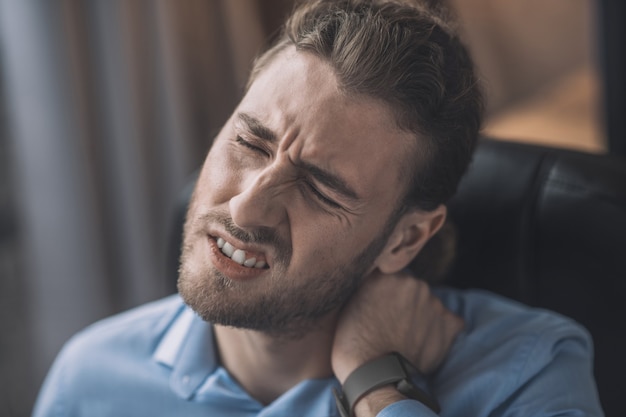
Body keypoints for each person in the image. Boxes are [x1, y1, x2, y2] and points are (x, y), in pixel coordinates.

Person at [32, 0, 604, 416]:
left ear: (404, 239)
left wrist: (379, 383)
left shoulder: (528, 374)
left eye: (321, 189)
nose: (249, 205)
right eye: (249, 143)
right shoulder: (92, 376)